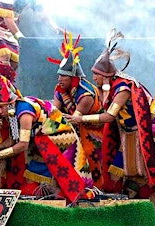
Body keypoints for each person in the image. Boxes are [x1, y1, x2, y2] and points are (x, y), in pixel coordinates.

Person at [65, 29, 155, 223]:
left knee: (140, 177)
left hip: (142, 136)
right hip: (127, 136)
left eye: (97, 75)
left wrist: (81, 120)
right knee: (118, 175)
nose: (94, 79)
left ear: (105, 75)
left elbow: (108, 117)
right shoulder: (108, 87)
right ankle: (126, 215)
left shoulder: (123, 87)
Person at [0, 76, 90, 203]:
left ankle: (65, 206)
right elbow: (13, 138)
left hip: (59, 139)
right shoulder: (12, 110)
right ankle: (38, 204)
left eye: (1, 107)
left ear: (11, 103)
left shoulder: (25, 113)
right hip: (41, 141)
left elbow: (22, 145)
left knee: (61, 177)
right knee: (31, 175)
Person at [49, 32, 104, 189]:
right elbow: (55, 113)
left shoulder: (85, 95)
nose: (60, 79)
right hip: (75, 128)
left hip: (93, 131)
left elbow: (74, 119)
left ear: (73, 79)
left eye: (64, 77)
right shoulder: (60, 88)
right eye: (59, 75)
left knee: (89, 158)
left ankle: (92, 190)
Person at [0, 0, 62, 83]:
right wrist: (22, 39)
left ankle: (6, 85)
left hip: (6, 30)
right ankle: (0, 88)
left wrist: (55, 28)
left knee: (16, 60)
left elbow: (41, 12)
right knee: (4, 54)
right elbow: (7, 19)